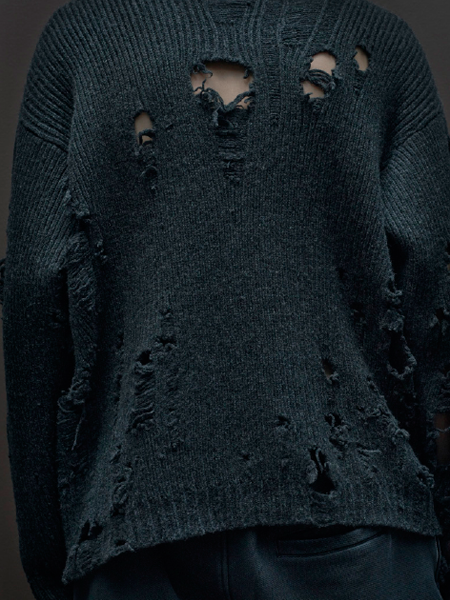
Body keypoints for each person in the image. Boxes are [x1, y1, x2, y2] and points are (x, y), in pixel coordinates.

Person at [2, 0, 450, 598]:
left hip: (134, 533)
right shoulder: (377, 43)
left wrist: (52, 559)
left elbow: (34, 306)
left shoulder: (82, 41)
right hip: (357, 531)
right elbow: (436, 303)